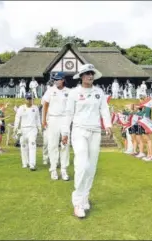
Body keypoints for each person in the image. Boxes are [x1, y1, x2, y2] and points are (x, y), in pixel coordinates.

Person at [61, 63, 111, 218]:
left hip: (95, 131)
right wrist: (65, 132)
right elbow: (68, 113)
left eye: (92, 73)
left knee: (91, 167)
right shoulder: (74, 93)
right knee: (82, 164)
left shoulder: (99, 92)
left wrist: (108, 125)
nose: (90, 76)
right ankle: (77, 202)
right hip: (79, 130)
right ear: (81, 76)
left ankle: (85, 197)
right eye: (87, 73)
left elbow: (104, 109)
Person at [42, 72, 71, 181]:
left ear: (63, 80)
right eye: (54, 79)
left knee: (65, 144)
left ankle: (64, 169)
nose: (55, 81)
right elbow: (45, 105)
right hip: (53, 119)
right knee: (52, 145)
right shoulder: (50, 90)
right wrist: (44, 120)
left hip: (64, 119)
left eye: (58, 79)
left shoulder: (69, 92)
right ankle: (53, 169)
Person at [14, 92, 41, 171]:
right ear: (25, 99)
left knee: (32, 145)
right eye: (28, 99)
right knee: (23, 146)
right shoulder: (21, 108)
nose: (29, 100)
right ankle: (25, 163)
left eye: (30, 99)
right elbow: (17, 118)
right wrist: (15, 128)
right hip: (23, 129)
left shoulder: (35, 108)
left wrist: (39, 128)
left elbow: (37, 119)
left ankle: (32, 164)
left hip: (32, 129)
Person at [139, 95, 152, 162]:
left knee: (148, 140)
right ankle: (149, 155)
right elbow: (141, 114)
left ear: (143, 100)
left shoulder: (147, 107)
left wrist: (146, 127)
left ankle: (151, 156)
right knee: (147, 140)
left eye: (140, 100)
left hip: (146, 124)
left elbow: (147, 117)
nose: (140, 101)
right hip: (144, 124)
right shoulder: (144, 107)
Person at [39, 95, 49, 165]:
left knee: (55, 144)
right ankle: (45, 158)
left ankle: (55, 159)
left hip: (55, 125)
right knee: (46, 143)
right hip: (47, 126)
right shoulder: (42, 109)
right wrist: (43, 122)